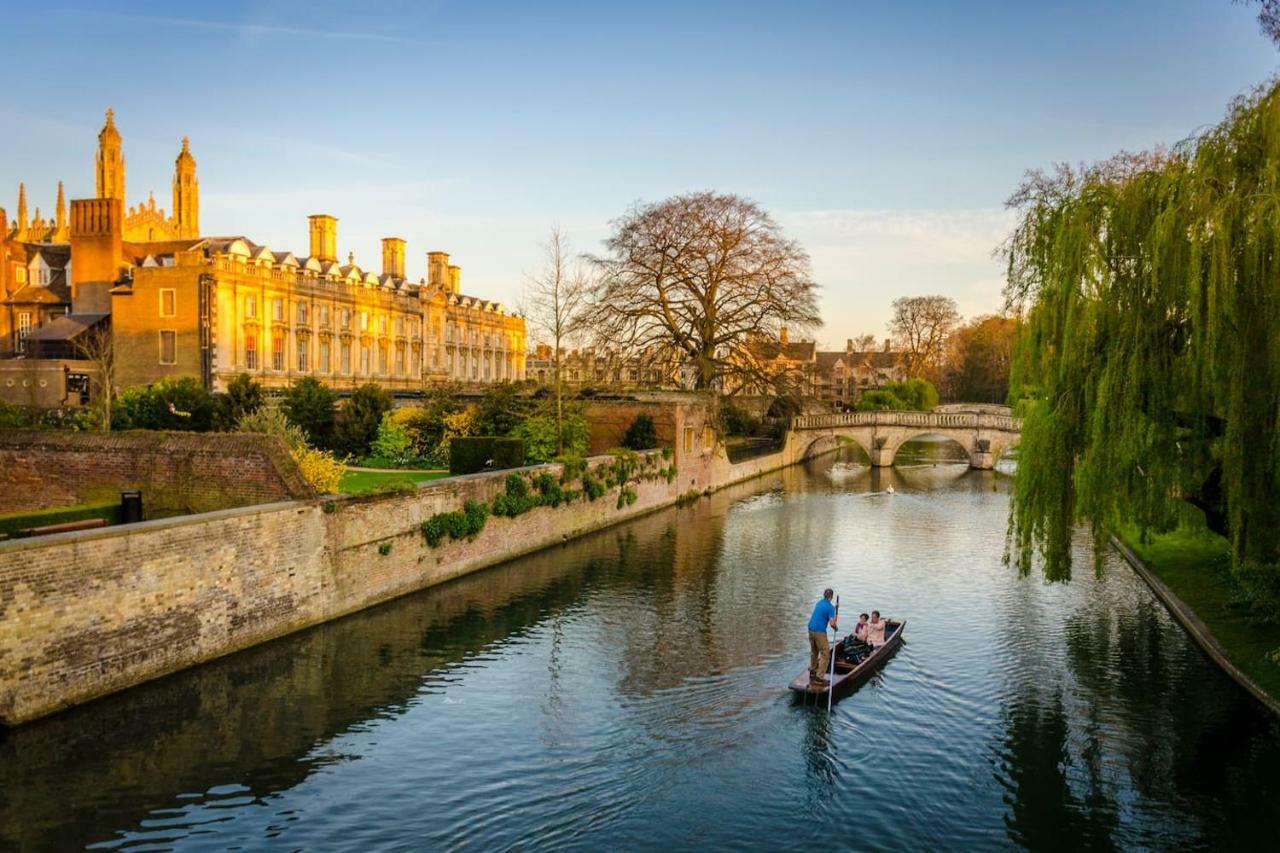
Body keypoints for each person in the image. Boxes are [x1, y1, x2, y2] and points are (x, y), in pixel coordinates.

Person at [807, 588, 839, 684]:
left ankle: (813, 670)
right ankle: (819, 677)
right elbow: (832, 624)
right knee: (826, 654)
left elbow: (825, 610)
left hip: (810, 629)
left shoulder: (820, 603)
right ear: (831, 596)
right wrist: (836, 628)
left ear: (824, 595)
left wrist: (835, 608)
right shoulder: (830, 608)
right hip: (819, 631)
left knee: (814, 651)